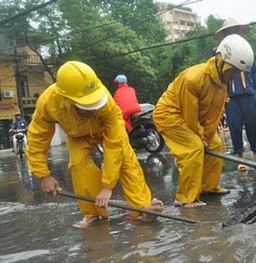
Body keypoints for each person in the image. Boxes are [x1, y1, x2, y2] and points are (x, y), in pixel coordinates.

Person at [26, 61, 163, 228]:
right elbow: (37, 138)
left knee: (127, 161)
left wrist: (107, 186)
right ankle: (93, 214)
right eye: (86, 105)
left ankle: (143, 210)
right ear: (66, 98)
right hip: (77, 136)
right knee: (78, 165)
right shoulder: (48, 103)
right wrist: (43, 175)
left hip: (105, 129)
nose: (91, 109)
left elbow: (114, 147)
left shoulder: (106, 102)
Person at [153, 34, 254, 208]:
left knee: (215, 144)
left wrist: (207, 135)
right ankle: (185, 198)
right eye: (234, 70)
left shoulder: (222, 81)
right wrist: (200, 137)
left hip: (189, 118)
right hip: (170, 115)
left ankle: (208, 187)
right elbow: (189, 114)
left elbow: (212, 115)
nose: (236, 75)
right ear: (222, 60)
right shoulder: (194, 78)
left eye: (239, 72)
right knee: (193, 147)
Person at [214, 18, 256, 171]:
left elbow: (254, 71)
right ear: (224, 34)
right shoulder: (219, 52)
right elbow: (216, 74)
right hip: (230, 98)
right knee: (234, 127)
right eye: (228, 31)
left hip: (248, 94)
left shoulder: (246, 49)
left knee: (253, 126)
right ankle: (241, 160)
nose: (232, 33)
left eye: (234, 30)